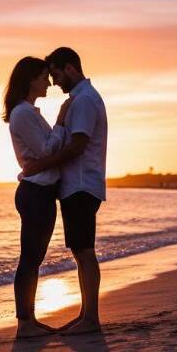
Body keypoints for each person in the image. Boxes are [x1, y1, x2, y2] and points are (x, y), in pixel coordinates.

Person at [23, 47, 107, 335]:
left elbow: (78, 146)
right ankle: (87, 314)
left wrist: (41, 165)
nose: (54, 82)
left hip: (81, 185)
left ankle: (91, 319)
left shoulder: (83, 101)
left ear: (70, 68)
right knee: (81, 251)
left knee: (84, 251)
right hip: (79, 186)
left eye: (56, 74)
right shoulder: (81, 99)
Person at [3, 57, 72, 339]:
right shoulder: (23, 113)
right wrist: (61, 122)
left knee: (34, 258)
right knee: (30, 259)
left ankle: (29, 320)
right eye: (44, 77)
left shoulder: (29, 112)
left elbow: (47, 151)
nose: (48, 83)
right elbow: (45, 150)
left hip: (41, 192)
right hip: (35, 193)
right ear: (31, 79)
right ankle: (25, 323)